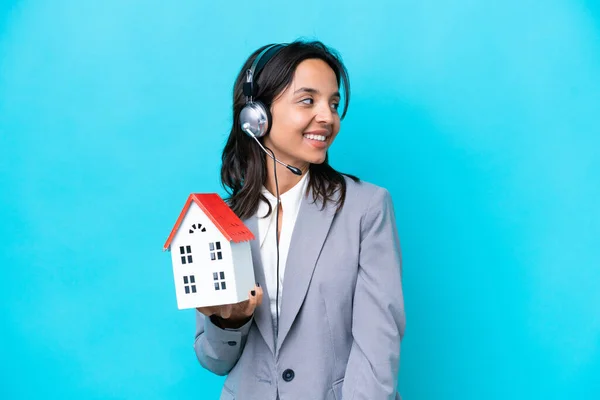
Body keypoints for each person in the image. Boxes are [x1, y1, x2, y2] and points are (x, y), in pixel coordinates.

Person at [193, 39, 406, 400]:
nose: (327, 117)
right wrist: (228, 321)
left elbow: (376, 351)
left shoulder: (366, 208)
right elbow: (214, 360)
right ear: (255, 115)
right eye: (308, 100)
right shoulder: (221, 221)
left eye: (334, 104)